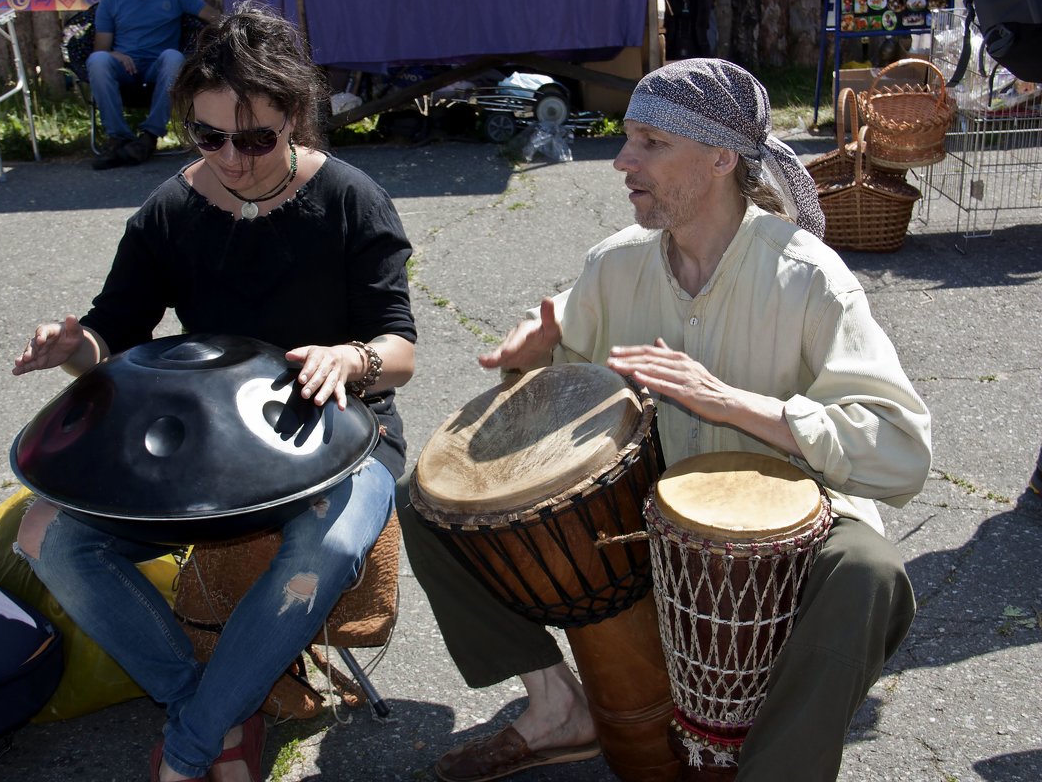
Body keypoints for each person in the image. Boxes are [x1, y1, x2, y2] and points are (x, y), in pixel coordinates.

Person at [398, 58, 932, 782]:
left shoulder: (809, 279)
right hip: (646, 512)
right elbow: (565, 388)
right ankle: (556, 704)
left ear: (719, 157)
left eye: (650, 143)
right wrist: (536, 354)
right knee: (429, 507)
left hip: (789, 522)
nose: (621, 161)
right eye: (627, 139)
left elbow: (901, 451)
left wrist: (740, 406)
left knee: (869, 571)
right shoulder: (615, 267)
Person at [12, 2, 416, 782]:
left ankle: (193, 745)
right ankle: (207, 702)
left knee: (325, 546)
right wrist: (74, 348)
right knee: (47, 533)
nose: (233, 158)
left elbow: (399, 349)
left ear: (295, 116)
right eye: (209, 138)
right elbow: (110, 336)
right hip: (212, 462)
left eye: (257, 138)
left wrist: (351, 360)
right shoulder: (170, 211)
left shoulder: (350, 199)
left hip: (340, 439)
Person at [88, 0, 219, 170]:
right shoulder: (110, 1)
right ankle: (118, 138)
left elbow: (214, 16)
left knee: (174, 57)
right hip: (125, 69)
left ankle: (149, 136)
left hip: (158, 68)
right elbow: (101, 48)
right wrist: (115, 55)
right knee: (98, 60)